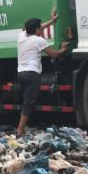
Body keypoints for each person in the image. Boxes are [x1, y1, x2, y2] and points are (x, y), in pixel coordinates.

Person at [15, 7, 70, 137]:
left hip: (21, 74)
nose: (42, 29)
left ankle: (25, 126)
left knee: (28, 101)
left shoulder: (21, 36)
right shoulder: (39, 41)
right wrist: (63, 49)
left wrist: (51, 21)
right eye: (41, 27)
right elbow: (55, 55)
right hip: (32, 75)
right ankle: (20, 130)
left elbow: (30, 29)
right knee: (28, 103)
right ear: (37, 30)